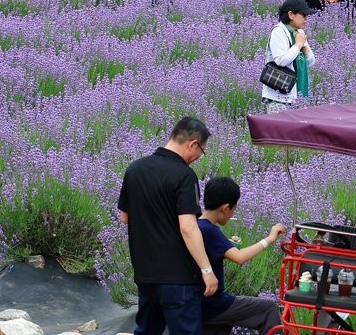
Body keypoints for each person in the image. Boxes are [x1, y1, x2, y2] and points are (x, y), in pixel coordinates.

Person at [117, 117, 216, 335]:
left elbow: (125, 218)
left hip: (145, 274)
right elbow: (188, 228)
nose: (199, 157)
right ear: (192, 144)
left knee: (147, 330)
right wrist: (207, 270)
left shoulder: (135, 169)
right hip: (178, 278)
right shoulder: (184, 175)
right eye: (202, 151)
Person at [198, 177, 286, 335]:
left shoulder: (196, 225)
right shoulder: (210, 230)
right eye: (233, 210)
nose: (232, 214)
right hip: (213, 305)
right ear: (225, 208)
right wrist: (270, 238)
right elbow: (239, 258)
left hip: (197, 302)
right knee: (268, 309)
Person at [262, 0, 317, 113]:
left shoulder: (299, 32)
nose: (306, 19)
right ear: (291, 14)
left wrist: (305, 48)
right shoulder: (278, 31)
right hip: (278, 96)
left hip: (297, 95)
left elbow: (311, 63)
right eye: (303, 15)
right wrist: (297, 45)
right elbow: (280, 61)